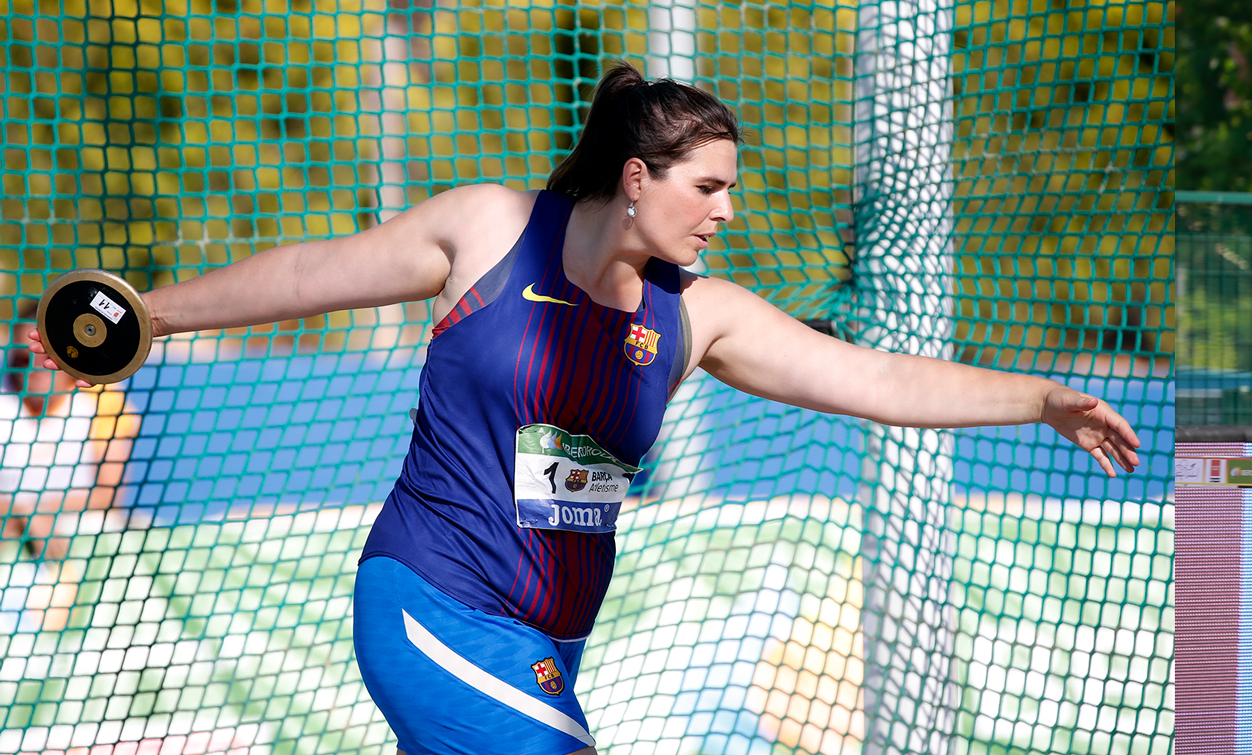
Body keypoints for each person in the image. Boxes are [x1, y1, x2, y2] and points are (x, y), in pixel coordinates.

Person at [30, 63, 1142, 755]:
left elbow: (885, 383)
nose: (725, 210)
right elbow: (311, 272)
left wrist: (1037, 398)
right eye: (707, 186)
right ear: (635, 178)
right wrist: (153, 316)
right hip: (429, 606)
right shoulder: (488, 230)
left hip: (547, 647)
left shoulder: (699, 318)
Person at [3, 300, 140, 632]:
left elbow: (108, 494)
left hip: (84, 539)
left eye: (44, 358)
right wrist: (25, 515)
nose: (33, 370)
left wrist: (48, 510)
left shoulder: (105, 403)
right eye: (23, 358)